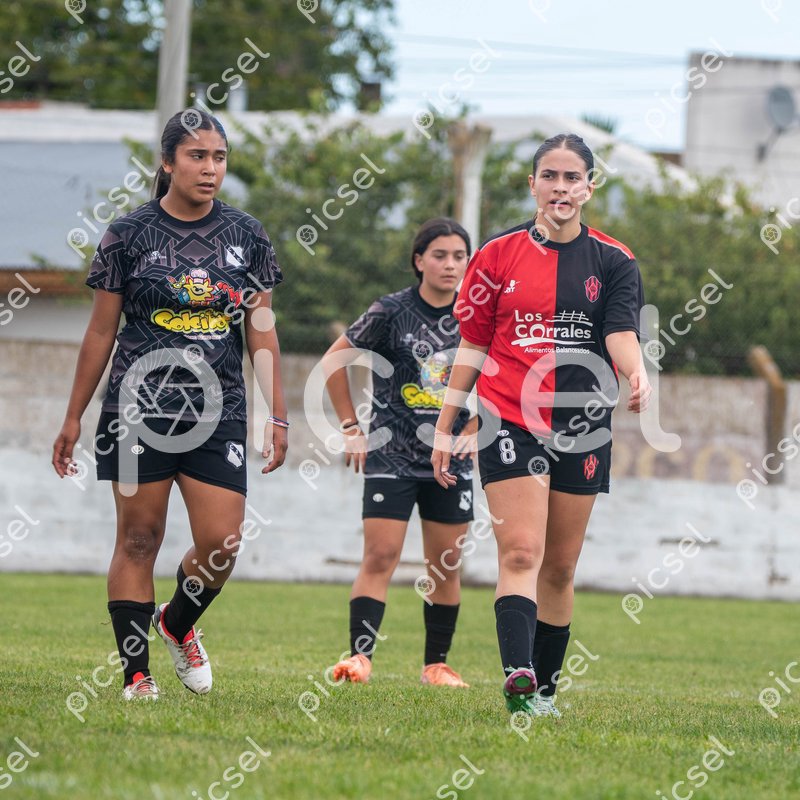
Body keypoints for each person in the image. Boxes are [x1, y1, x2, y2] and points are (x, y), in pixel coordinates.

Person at [52, 109, 287, 701]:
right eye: (197, 156)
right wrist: (74, 415)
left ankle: (177, 623)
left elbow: (261, 332)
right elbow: (101, 331)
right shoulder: (127, 234)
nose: (210, 169)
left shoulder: (247, 235)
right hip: (137, 410)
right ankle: (137, 676)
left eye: (219, 158)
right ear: (167, 162)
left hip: (219, 411)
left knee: (222, 543)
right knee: (139, 539)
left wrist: (278, 413)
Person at [432, 134, 650, 717]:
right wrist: (447, 421)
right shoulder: (495, 256)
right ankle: (518, 675)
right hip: (508, 417)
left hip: (584, 425)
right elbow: (473, 344)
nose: (560, 187)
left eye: (572, 177)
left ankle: (545, 693)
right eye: (549, 176)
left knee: (559, 567)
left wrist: (636, 372)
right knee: (522, 551)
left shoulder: (614, 260)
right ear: (532, 184)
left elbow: (620, 332)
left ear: (589, 187)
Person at [323, 218, 478, 687]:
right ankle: (360, 658)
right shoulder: (390, 311)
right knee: (380, 556)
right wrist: (350, 426)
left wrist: (478, 426)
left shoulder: (477, 316)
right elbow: (334, 360)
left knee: (445, 566)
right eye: (439, 255)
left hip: (451, 462)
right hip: (392, 456)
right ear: (418, 261)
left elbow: (502, 381)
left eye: (459, 256)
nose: (450, 264)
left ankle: (436, 665)